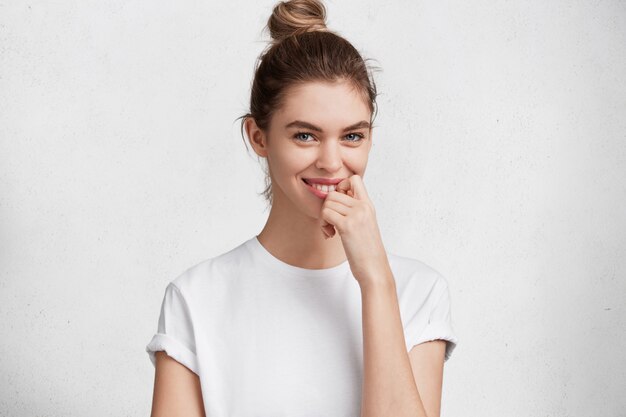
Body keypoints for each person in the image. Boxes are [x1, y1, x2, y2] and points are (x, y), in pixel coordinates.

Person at [146, 0, 458, 416]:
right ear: (258, 137)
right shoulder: (197, 299)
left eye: (352, 136)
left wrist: (376, 282)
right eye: (306, 136)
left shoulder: (417, 292)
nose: (332, 162)